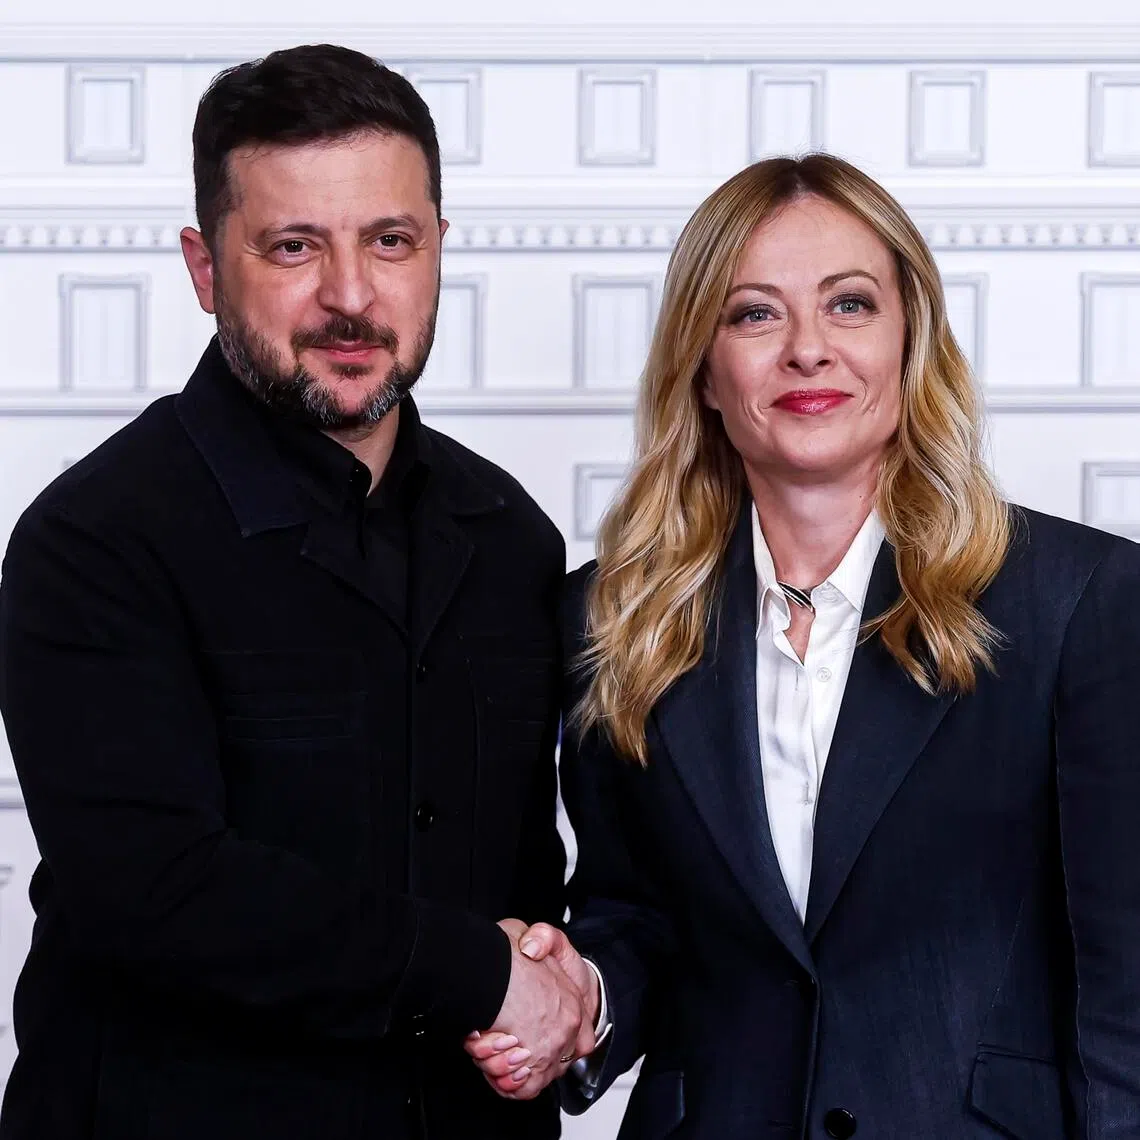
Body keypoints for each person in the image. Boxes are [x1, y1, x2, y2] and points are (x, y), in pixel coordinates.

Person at [468, 153, 1140, 1137]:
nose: (808, 351)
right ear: (702, 366)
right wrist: (584, 997)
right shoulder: (613, 620)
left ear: (910, 339)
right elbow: (638, 917)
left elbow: (1128, 986)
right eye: (755, 314)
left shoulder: (1080, 601)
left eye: (851, 304)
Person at [0, 44, 593, 1140]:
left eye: (390, 241)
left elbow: (522, 872)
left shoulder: (510, 534)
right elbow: (157, 890)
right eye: (292, 247)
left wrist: (557, 976)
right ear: (204, 267)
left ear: (438, 252)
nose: (351, 296)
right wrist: (481, 972)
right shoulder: (94, 541)